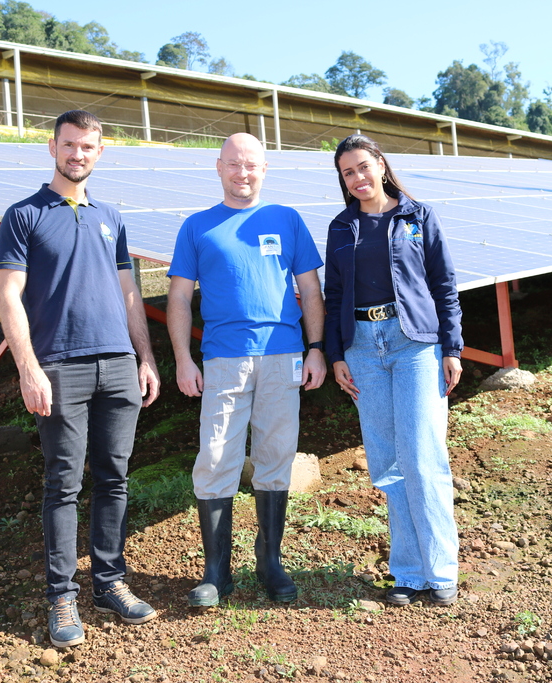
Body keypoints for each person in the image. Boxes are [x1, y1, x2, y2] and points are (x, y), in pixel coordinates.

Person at [0, 110, 161, 648]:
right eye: (69, 145)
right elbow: (8, 296)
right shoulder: (23, 216)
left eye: (88, 147)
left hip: (117, 363)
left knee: (115, 477)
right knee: (63, 484)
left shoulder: (111, 215)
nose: (78, 154)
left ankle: (110, 583)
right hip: (59, 366)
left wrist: (146, 357)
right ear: (52, 147)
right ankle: (61, 596)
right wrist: (28, 368)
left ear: (100, 151)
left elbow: (130, 295)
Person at [167, 132, 326, 606]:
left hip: (283, 354)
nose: (243, 173)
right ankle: (217, 572)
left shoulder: (288, 220)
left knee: (276, 455)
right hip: (223, 358)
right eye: (234, 164)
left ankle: (269, 561)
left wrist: (316, 348)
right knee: (216, 457)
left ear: (264, 169)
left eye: (252, 164)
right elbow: (178, 298)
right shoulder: (197, 227)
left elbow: (311, 291)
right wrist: (182, 359)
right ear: (219, 167)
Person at [323, 134, 462, 607]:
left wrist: (452, 347)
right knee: (387, 462)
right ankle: (408, 573)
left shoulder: (418, 217)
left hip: (415, 347)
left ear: (381, 165)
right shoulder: (341, 228)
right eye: (348, 173)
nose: (358, 178)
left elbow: (444, 284)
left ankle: (441, 572)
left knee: (423, 456)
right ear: (342, 180)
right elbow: (334, 295)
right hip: (363, 348)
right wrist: (336, 353)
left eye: (363, 167)